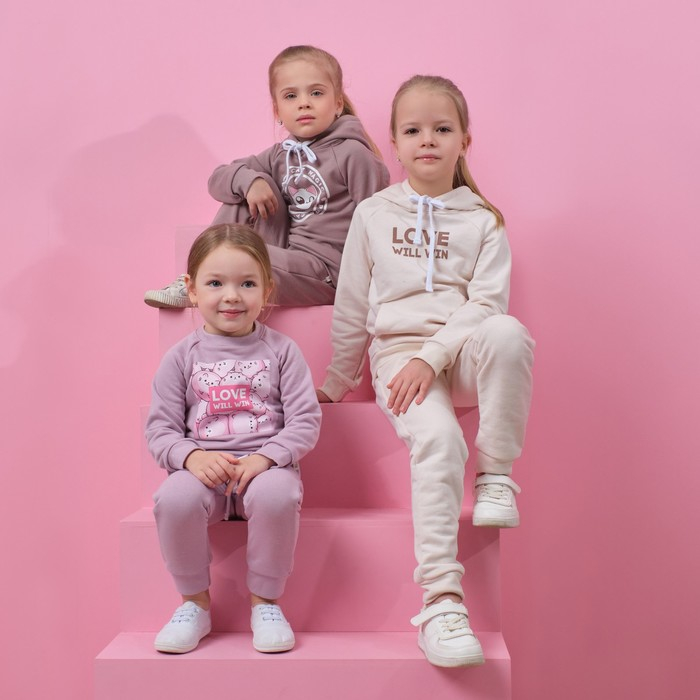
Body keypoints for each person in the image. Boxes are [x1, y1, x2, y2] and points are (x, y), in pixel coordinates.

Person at [317, 75, 535, 668]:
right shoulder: (373, 213)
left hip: (456, 353)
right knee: (438, 439)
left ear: (465, 139)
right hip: (397, 356)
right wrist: (336, 382)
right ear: (394, 142)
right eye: (413, 130)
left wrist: (433, 356)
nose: (428, 140)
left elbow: (486, 305)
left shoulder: (484, 219)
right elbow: (352, 304)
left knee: (508, 331)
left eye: (442, 128)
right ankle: (441, 603)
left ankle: (496, 474)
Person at [146, 223, 321, 654]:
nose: (232, 296)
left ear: (267, 289)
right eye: (215, 283)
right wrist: (191, 457)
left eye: (247, 283)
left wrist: (266, 458)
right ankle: (194, 604)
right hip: (204, 472)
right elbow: (160, 430)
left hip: (264, 469)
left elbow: (304, 421)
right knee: (173, 499)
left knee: (278, 495)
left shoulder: (282, 351)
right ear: (191, 289)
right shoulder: (180, 358)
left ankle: (266, 603)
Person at [144, 44, 389, 309]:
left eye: (316, 93)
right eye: (291, 96)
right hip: (287, 256)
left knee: (242, 256)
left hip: (328, 272)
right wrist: (251, 183)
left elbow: (378, 223)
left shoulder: (353, 154)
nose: (304, 102)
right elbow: (217, 180)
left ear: (338, 103)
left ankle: (206, 279)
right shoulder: (279, 155)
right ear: (277, 111)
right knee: (244, 186)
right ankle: (198, 276)